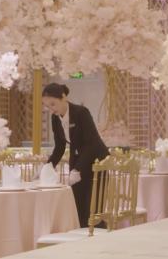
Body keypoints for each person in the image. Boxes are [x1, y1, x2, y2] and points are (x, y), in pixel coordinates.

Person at [43, 83, 109, 227]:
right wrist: (47, 167)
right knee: (78, 209)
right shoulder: (55, 119)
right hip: (78, 163)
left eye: (53, 104)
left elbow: (91, 143)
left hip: (97, 162)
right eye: (48, 107)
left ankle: (100, 241)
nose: (51, 109)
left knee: (93, 210)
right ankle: (83, 243)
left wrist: (77, 169)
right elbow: (60, 147)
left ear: (63, 97)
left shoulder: (81, 113)